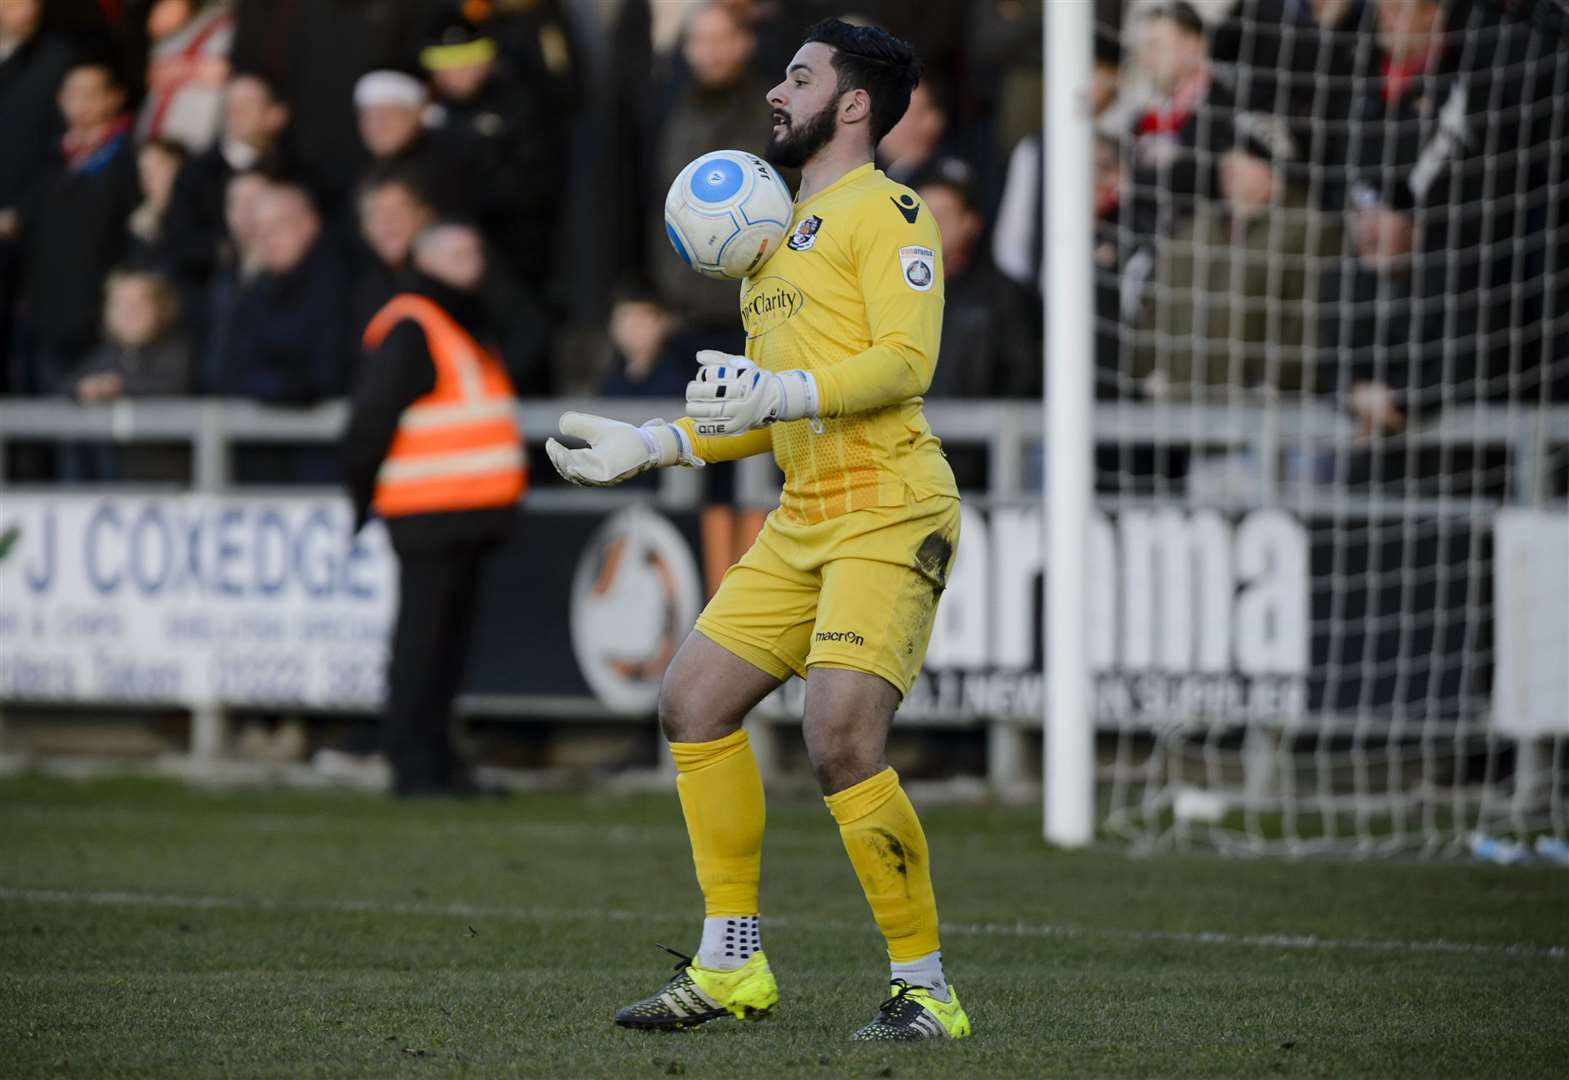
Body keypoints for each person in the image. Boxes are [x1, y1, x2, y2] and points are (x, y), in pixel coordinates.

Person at [546, 18, 971, 1042]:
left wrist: (779, 386)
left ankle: (927, 989)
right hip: (803, 515)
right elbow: (760, 408)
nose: (777, 93)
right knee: (693, 702)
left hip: (889, 507)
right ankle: (731, 962)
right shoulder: (768, 232)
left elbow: (904, 367)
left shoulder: (891, 211)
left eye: (798, 76)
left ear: (854, 103)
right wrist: (658, 444)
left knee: (838, 737)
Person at [342, 221, 525, 799]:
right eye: (457, 250)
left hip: (468, 512)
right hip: (428, 512)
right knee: (423, 647)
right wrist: (358, 496)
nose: (473, 258)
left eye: (476, 247)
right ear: (424, 259)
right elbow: (370, 421)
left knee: (447, 648)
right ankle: (413, 765)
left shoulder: (464, 319)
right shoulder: (413, 324)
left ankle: (438, 763)